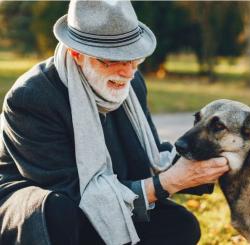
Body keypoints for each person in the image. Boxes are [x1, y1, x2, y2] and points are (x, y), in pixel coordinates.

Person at [0, 1, 229, 245]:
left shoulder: (132, 83)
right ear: (77, 53)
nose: (128, 72)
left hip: (111, 190)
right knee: (58, 212)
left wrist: (211, 163)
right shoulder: (32, 97)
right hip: (41, 206)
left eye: (133, 58)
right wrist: (168, 182)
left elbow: (148, 156)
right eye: (114, 59)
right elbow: (74, 194)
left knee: (180, 225)